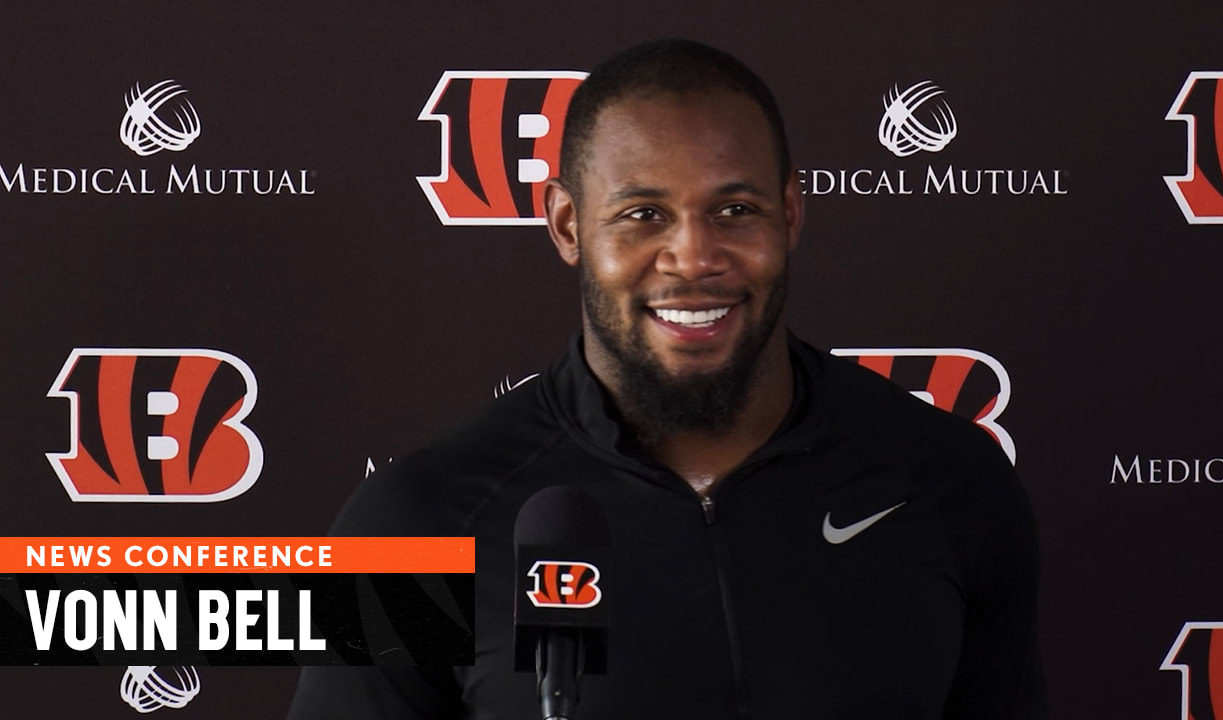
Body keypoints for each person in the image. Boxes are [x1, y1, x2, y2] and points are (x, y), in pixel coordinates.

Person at [289, 38, 1046, 719]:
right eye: (644, 214)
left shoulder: (949, 481)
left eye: (736, 209)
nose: (693, 257)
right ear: (567, 225)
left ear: (789, 213)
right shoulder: (411, 523)